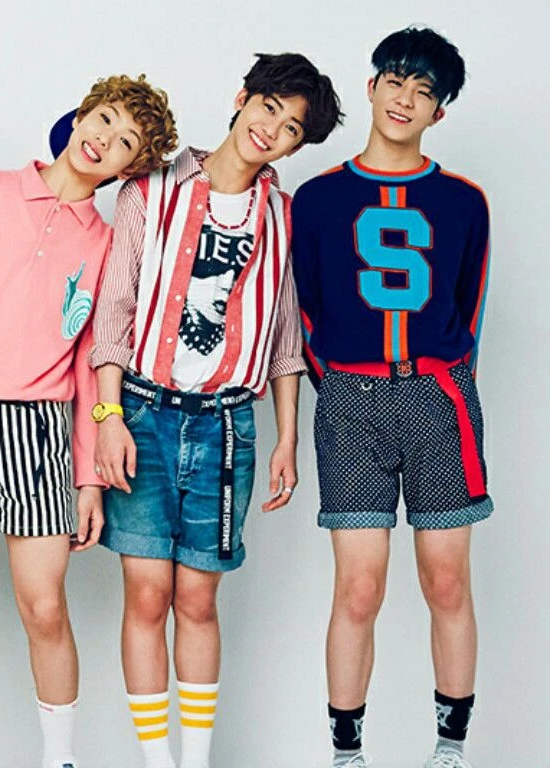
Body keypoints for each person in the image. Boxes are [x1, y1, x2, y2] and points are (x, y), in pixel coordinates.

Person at [0, 74, 178, 768]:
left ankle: (60, 758)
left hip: (42, 429)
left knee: (43, 605)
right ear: (80, 115)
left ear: (130, 169)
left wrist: (87, 477)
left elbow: (89, 364)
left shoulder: (107, 242)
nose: (104, 140)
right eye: (104, 120)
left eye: (125, 143)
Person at [90, 53, 341, 768]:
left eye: (291, 129)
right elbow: (114, 310)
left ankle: (195, 761)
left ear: (294, 147)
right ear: (242, 98)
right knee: (146, 596)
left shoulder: (282, 217)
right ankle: (157, 762)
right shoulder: (151, 188)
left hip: (229, 425)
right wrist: (108, 419)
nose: (272, 129)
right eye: (269, 108)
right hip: (142, 414)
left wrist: (287, 437)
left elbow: (286, 338)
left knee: (198, 601)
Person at [292, 26, 486, 768]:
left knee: (446, 579)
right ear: (371, 87)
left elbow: (469, 311)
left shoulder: (464, 202)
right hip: (349, 401)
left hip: (439, 399)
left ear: (440, 112)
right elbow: (304, 310)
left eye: (424, 90)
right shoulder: (317, 199)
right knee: (359, 587)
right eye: (395, 81)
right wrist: (344, 383)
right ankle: (347, 754)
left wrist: (438, 380)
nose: (406, 99)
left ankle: (449, 749)